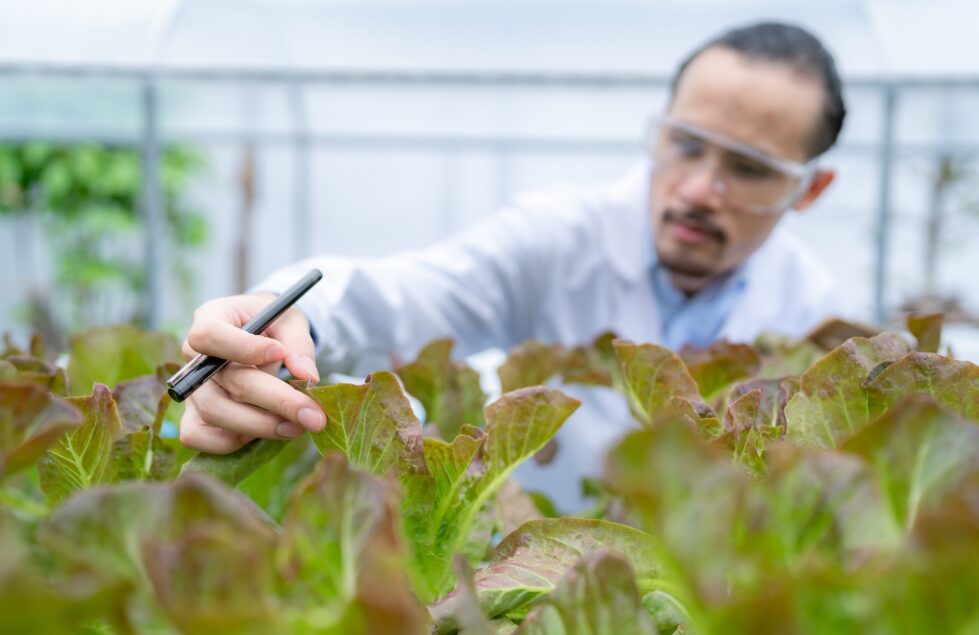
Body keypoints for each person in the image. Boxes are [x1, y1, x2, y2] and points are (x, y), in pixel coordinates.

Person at [179, 21, 847, 509]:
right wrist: (286, 316)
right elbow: (404, 295)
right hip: (531, 592)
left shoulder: (813, 313)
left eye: (749, 169)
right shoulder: (561, 238)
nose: (700, 188)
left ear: (810, 190)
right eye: (686, 144)